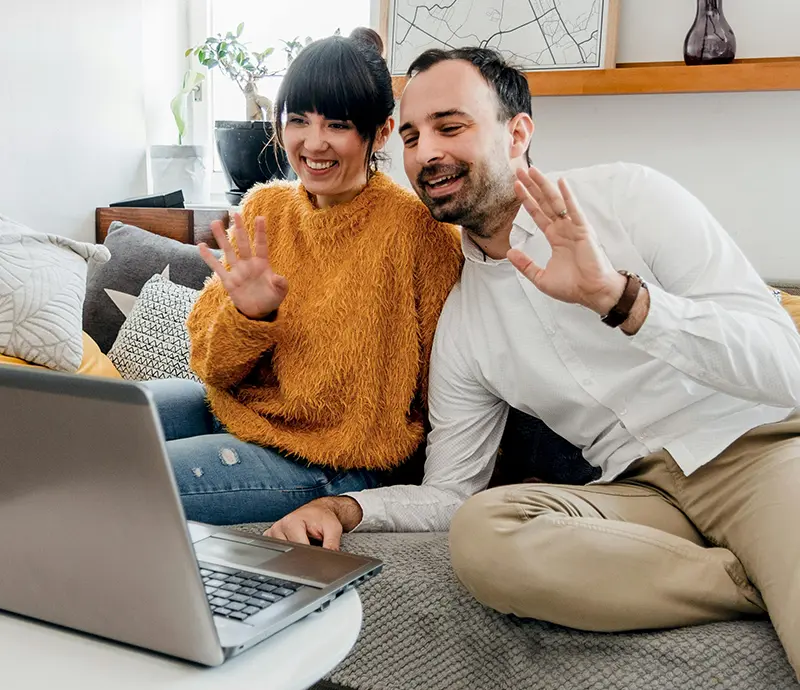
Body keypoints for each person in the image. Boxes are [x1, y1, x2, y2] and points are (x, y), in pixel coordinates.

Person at [267, 47, 800, 678]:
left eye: (450, 125)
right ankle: (756, 576)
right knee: (483, 534)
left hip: (755, 450)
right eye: (410, 135)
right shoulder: (464, 320)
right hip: (635, 490)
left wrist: (623, 300)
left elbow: (784, 365)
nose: (425, 152)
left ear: (517, 132)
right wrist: (347, 509)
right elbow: (451, 492)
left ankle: (773, 563)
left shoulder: (629, 198)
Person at [147, 29, 463, 531]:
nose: (313, 143)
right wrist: (250, 315)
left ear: (380, 133)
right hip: (233, 411)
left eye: (337, 124)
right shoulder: (263, 207)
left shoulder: (420, 232)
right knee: (82, 428)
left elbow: (448, 391)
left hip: (332, 462)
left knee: (129, 478)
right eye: (298, 119)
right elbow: (210, 367)